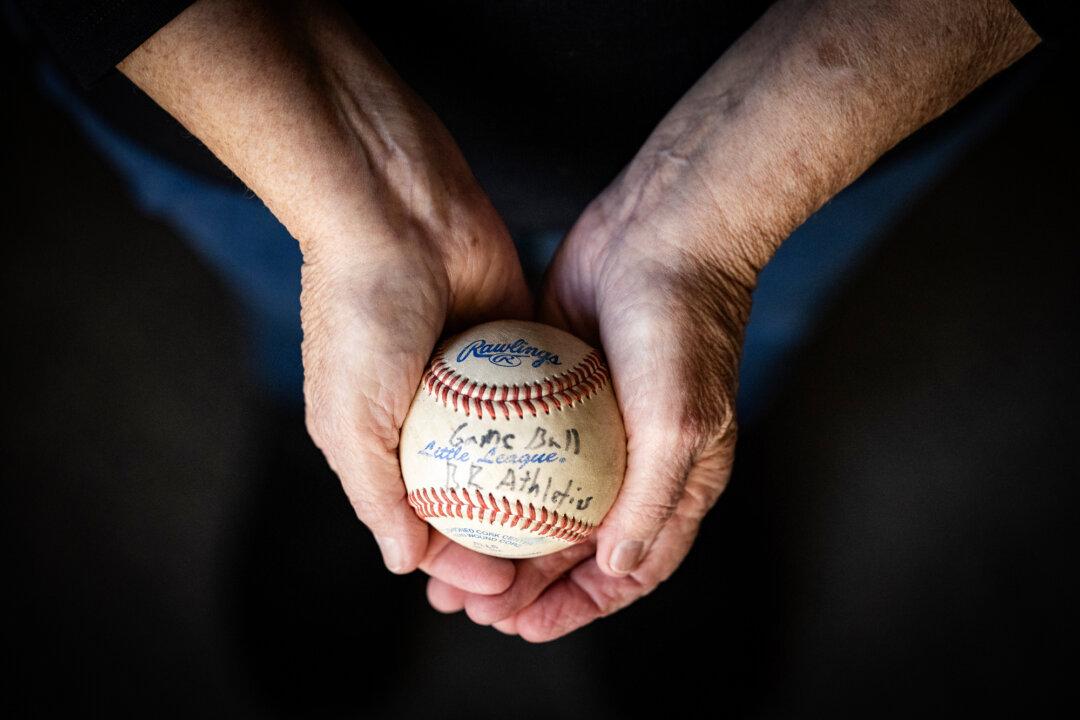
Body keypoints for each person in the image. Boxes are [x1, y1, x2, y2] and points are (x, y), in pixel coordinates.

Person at [17, 0, 1048, 643]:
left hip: (839, 115)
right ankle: (323, 460)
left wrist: (712, 230)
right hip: (243, 120)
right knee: (302, 321)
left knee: (736, 347)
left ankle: (679, 484)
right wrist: (355, 200)